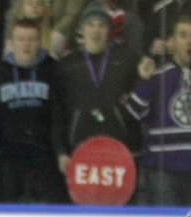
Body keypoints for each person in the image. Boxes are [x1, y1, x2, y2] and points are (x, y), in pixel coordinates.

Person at [125, 15, 191, 205]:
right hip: (163, 171)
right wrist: (144, 80)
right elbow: (133, 113)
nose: (189, 41)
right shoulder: (156, 74)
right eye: (183, 35)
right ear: (171, 42)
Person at [53, 1, 142, 180]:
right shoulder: (67, 66)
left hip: (119, 149)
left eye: (101, 25)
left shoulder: (126, 60)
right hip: (78, 148)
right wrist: (61, 151)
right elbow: (57, 113)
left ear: (109, 30)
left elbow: (138, 102)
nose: (95, 31)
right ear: (81, 29)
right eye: (90, 25)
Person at [0, 18, 68, 203]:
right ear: (11, 43)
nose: (26, 44)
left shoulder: (52, 71)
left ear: (40, 43)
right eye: (21, 39)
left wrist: (61, 150)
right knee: (7, 216)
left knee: (49, 214)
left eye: (32, 39)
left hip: (44, 154)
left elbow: (58, 115)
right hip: (8, 156)